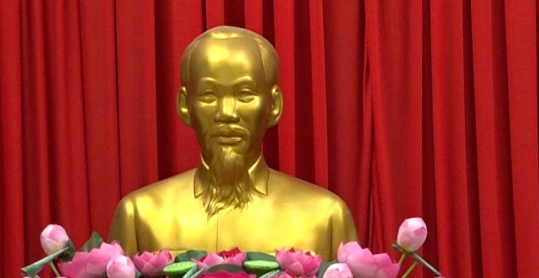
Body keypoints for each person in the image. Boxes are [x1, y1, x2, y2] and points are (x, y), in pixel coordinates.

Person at [108, 26, 357, 259]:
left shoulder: (325, 218)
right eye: (209, 95)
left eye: (244, 94)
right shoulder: (140, 217)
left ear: (274, 105)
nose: (226, 113)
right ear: (184, 105)